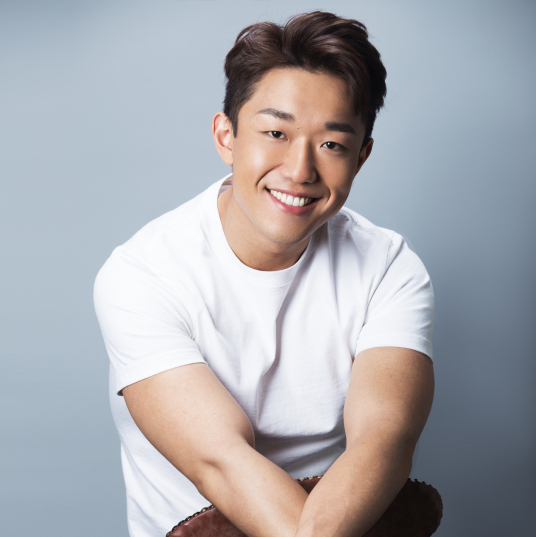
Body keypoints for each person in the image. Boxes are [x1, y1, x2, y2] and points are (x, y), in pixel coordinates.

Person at [94, 11, 435, 537]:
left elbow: (384, 440)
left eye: (332, 144)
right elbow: (222, 462)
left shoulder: (389, 267)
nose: (300, 170)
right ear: (226, 136)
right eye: (276, 132)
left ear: (361, 156)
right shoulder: (143, 275)